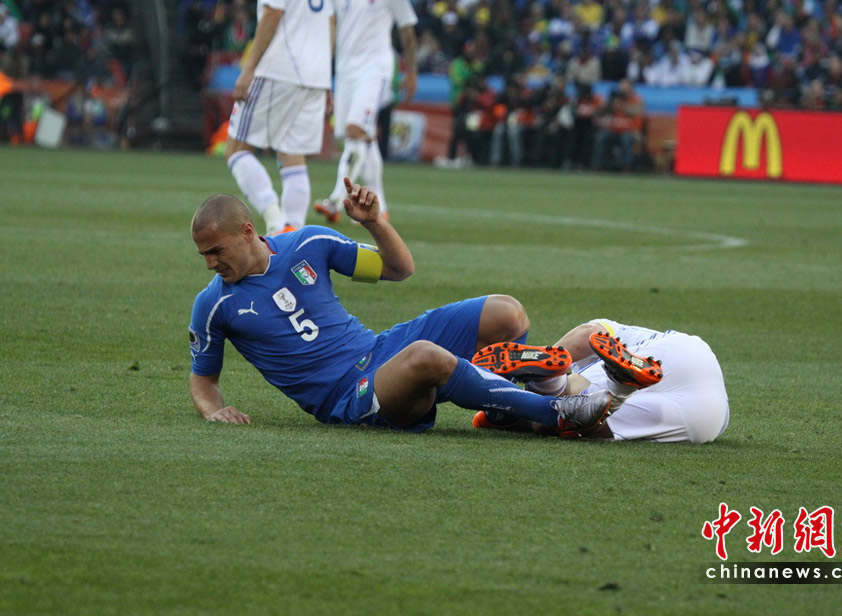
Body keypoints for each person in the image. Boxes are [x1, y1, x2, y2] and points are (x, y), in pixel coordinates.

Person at [188, 178, 615, 435]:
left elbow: (398, 269)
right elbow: (203, 380)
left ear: (247, 232)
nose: (210, 263)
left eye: (215, 250)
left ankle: (503, 413)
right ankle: (555, 413)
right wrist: (213, 409)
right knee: (426, 356)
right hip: (347, 398)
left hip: (380, 351)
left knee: (507, 313)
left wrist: (374, 223)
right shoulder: (214, 304)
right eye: (203, 254)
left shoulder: (309, 243)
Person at [471, 319, 729, 444]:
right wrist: (556, 352)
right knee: (575, 411)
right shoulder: (625, 337)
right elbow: (589, 334)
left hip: (698, 415)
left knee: (564, 413)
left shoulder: (615, 345)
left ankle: (548, 381)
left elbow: (587, 335)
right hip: (700, 391)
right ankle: (553, 382)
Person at [224, 0, 334, 236]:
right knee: (292, 154)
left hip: (280, 70)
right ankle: (294, 234)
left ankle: (276, 223)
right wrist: (325, 77)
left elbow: (273, 13)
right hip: (316, 74)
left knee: (236, 149)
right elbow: (330, 22)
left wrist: (249, 68)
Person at [313, 0, 418, 224]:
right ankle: (381, 209)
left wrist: (411, 72)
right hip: (344, 71)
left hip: (375, 69)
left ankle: (335, 201)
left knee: (356, 130)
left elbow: (407, 27)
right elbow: (330, 24)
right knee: (361, 138)